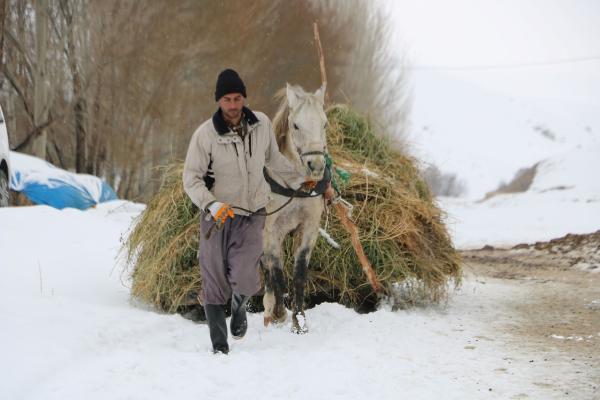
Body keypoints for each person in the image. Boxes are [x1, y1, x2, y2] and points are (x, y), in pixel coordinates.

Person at [183, 69, 315, 354]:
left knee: (246, 277)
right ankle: (220, 347)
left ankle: (239, 305)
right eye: (227, 99)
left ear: (244, 98)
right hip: (217, 217)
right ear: (219, 101)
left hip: (253, 213)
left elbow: (273, 160)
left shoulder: (261, 125)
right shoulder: (205, 135)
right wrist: (211, 204)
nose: (233, 104)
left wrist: (298, 179)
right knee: (215, 280)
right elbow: (190, 178)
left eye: (238, 98)